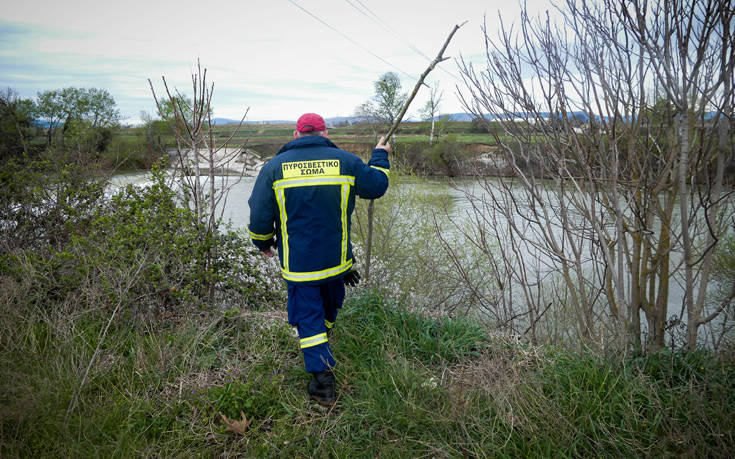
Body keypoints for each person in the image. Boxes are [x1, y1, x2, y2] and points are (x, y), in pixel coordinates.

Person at [247, 113, 390, 405]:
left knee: (309, 318)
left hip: (300, 266)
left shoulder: (273, 168)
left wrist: (262, 242)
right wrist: (380, 154)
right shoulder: (345, 161)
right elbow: (376, 186)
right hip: (337, 262)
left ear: (296, 135)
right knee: (325, 309)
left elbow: (259, 214)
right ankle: (321, 346)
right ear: (324, 133)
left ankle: (323, 383)